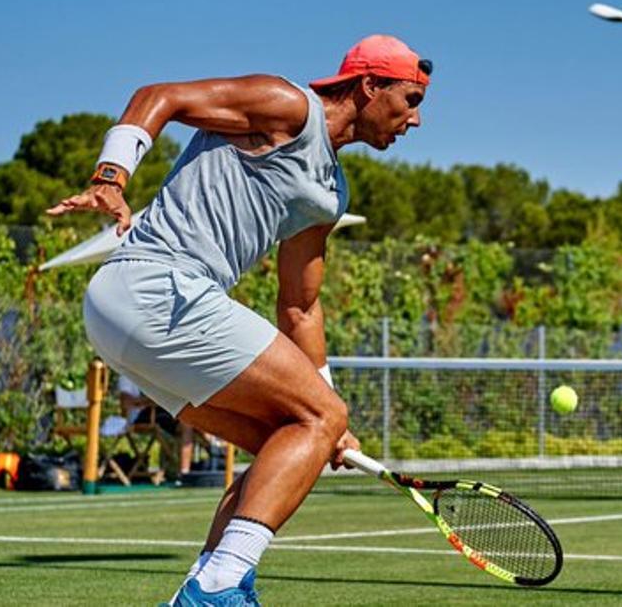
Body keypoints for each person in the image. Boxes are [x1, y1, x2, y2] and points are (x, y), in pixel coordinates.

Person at [47, 34, 430, 605]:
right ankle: (218, 588)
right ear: (370, 86)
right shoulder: (287, 107)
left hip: (127, 316)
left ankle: (205, 589)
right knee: (313, 420)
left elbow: (299, 306)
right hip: (155, 285)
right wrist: (111, 176)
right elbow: (161, 96)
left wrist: (324, 409)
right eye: (411, 99)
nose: (415, 120)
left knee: (287, 439)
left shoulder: (328, 191)